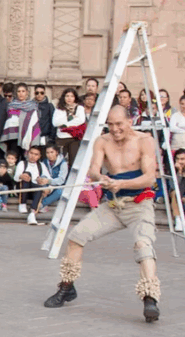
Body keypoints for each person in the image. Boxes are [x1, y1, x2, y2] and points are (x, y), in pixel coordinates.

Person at [43, 106, 162, 322]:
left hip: (139, 204)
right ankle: (67, 287)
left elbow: (149, 178)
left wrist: (122, 183)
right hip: (113, 205)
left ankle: (150, 298)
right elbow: (93, 170)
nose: (115, 129)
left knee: (143, 245)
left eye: (119, 124)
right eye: (111, 124)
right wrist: (102, 179)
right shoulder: (102, 141)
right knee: (76, 236)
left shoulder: (145, 140)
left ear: (130, 121)